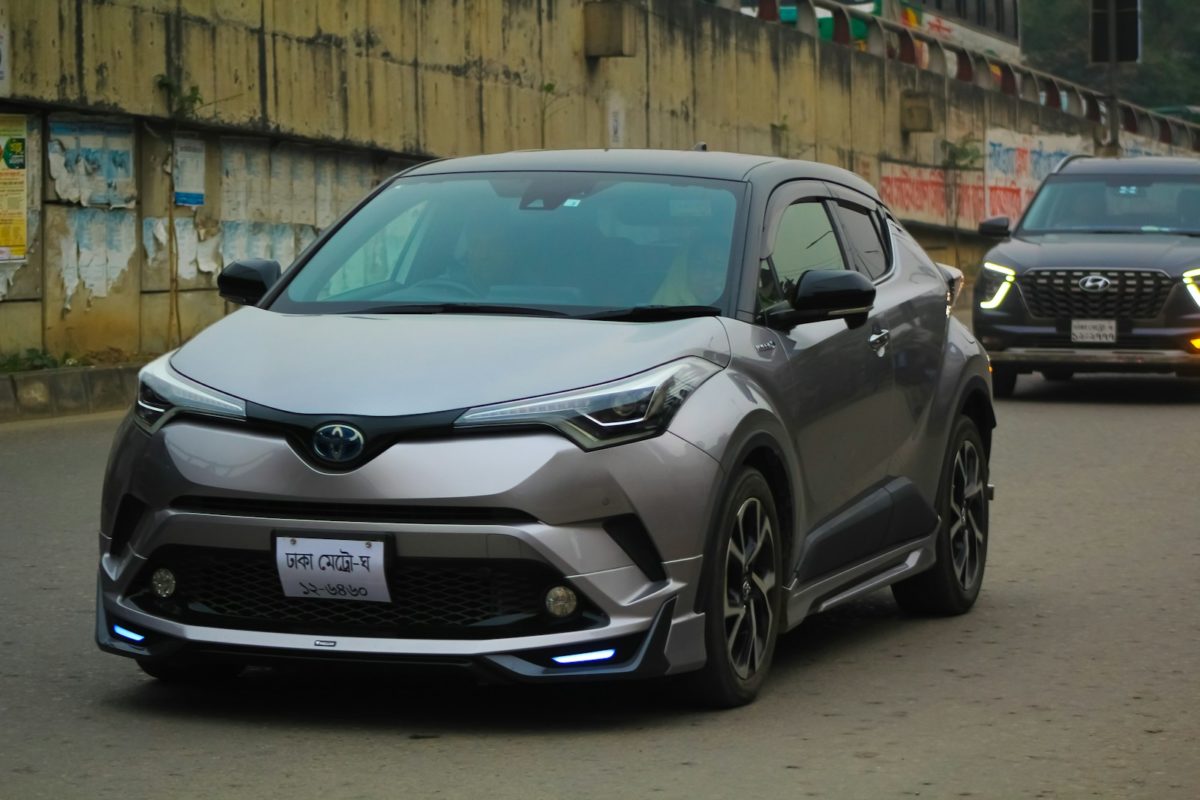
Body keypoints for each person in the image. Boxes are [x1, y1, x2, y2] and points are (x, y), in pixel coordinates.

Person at [652, 235, 729, 306]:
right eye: (699, 264)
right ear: (683, 270)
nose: (707, 275)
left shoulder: (733, 311)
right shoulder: (661, 313)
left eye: (719, 267)